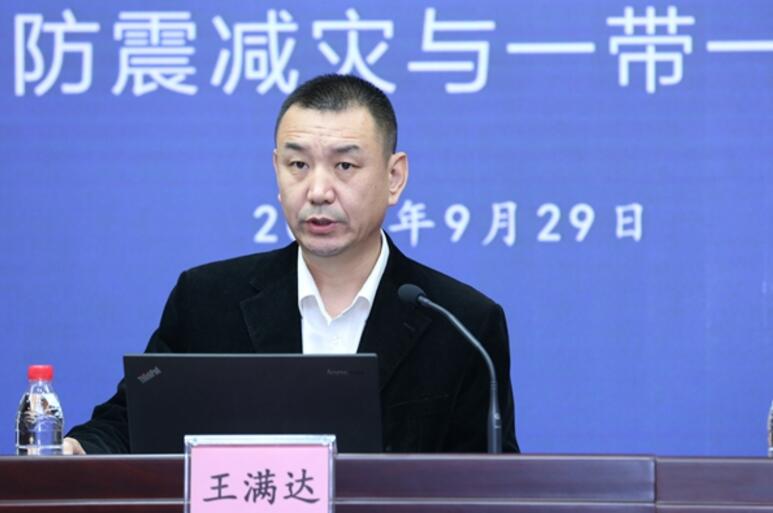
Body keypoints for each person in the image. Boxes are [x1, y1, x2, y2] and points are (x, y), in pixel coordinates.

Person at [64, 74, 519, 454]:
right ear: (277, 169)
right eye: (298, 164)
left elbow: (488, 482)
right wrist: (78, 449)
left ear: (394, 176)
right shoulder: (207, 300)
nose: (318, 191)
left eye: (344, 167)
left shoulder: (462, 323)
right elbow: (131, 422)